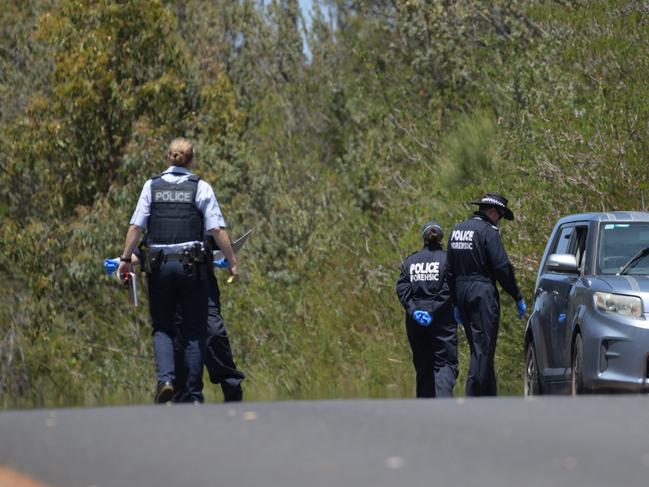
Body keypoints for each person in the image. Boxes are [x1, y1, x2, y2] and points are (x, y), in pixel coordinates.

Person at [117, 137, 239, 404]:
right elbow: (217, 229)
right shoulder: (200, 187)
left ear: (168, 157)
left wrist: (125, 258)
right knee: (196, 331)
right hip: (191, 269)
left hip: (159, 268)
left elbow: (136, 228)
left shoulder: (152, 186)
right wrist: (232, 260)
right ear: (191, 160)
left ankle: (166, 380)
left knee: (162, 328)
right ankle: (193, 395)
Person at [129, 247, 245, 403]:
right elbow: (145, 247)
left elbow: (216, 235)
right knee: (179, 340)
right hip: (170, 282)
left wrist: (229, 258)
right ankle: (185, 395)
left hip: (201, 278)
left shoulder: (204, 221)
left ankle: (232, 388)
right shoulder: (159, 223)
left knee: (214, 332)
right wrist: (122, 261)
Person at [446, 192, 526, 397]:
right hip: (482, 292)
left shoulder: (457, 230)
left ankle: (489, 396)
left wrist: (455, 302)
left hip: (461, 292)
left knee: (478, 347)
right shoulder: (488, 231)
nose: (499, 222)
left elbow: (449, 270)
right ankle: (474, 397)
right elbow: (502, 267)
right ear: (492, 211)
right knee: (484, 348)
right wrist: (516, 295)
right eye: (500, 217)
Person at [396, 220, 459, 398]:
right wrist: (432, 311)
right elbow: (449, 289)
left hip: (415, 322)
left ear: (423, 238)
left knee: (423, 365)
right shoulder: (447, 260)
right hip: (442, 320)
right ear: (441, 239)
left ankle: (425, 408)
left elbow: (402, 288)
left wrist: (415, 310)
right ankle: (445, 403)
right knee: (445, 363)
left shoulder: (410, 261)